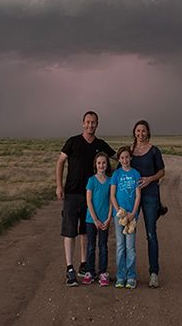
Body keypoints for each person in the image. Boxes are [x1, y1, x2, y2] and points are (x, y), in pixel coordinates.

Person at [56, 111, 115, 287]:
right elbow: (60, 162)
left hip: (92, 196)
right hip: (73, 193)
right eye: (88, 122)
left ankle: (84, 265)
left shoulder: (100, 144)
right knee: (69, 231)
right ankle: (69, 268)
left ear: (97, 124)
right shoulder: (72, 141)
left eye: (93, 122)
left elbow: (117, 157)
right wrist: (59, 186)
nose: (90, 125)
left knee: (85, 231)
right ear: (83, 123)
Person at [130, 119, 166, 288]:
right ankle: (129, 273)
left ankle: (154, 273)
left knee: (151, 234)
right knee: (129, 234)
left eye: (143, 131)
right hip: (132, 197)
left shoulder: (154, 151)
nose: (140, 134)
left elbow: (162, 172)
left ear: (148, 132)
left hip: (150, 196)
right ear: (134, 132)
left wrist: (150, 179)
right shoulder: (129, 151)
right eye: (138, 131)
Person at [110, 145, 142, 289]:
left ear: (131, 158)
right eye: (122, 158)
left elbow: (138, 195)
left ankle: (131, 276)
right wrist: (119, 212)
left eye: (127, 157)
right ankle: (120, 276)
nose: (125, 160)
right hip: (119, 215)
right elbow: (112, 195)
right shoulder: (116, 174)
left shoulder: (136, 174)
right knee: (120, 246)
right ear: (119, 159)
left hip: (132, 216)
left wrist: (132, 213)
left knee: (130, 247)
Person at [83, 152, 114, 286]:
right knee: (91, 246)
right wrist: (95, 219)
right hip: (91, 220)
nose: (101, 165)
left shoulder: (110, 181)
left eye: (104, 163)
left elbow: (112, 201)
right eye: (99, 163)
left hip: (104, 220)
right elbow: (89, 201)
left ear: (107, 165)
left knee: (103, 245)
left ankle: (102, 272)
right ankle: (90, 271)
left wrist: (108, 219)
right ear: (95, 165)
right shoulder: (91, 180)